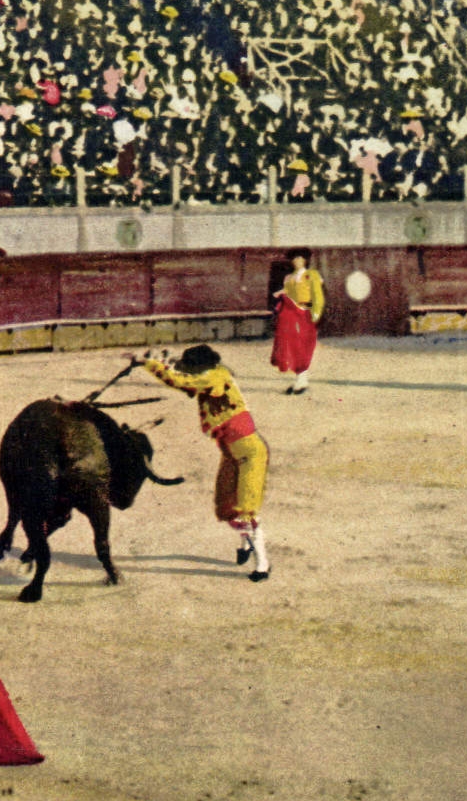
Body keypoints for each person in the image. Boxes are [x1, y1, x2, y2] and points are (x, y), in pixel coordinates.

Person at [135, 345, 272, 581]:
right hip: (233, 452)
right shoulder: (214, 373)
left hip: (251, 455)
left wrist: (149, 364)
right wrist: (162, 361)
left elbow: (181, 381)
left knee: (246, 511)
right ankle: (245, 545)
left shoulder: (212, 377)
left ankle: (262, 564)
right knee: (227, 505)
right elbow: (185, 377)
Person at [270, 247, 325, 394]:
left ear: (305, 260)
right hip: (290, 314)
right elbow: (289, 291)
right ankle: (301, 381)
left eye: (300, 258)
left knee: (302, 347)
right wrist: (280, 293)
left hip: (305, 314)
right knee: (292, 346)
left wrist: (315, 315)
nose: (297, 261)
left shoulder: (311, 275)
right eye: (295, 259)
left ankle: (302, 381)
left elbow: (317, 295)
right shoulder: (289, 277)